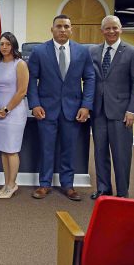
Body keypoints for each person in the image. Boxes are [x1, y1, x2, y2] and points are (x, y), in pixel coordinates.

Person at [27, 14, 95, 201]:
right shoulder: (39, 51)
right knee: (46, 148)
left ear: (71, 29)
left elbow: (89, 78)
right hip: (46, 109)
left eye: (66, 26)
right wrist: (34, 104)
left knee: (69, 148)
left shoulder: (82, 51)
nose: (62, 30)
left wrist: (86, 106)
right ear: (52, 29)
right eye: (59, 26)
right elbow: (31, 80)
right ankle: (44, 184)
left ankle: (68, 186)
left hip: (73, 110)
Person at [89, 15, 134, 199]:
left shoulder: (132, 52)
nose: (111, 31)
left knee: (121, 156)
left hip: (121, 113)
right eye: (108, 28)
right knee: (100, 153)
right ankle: (104, 189)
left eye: (115, 28)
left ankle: (122, 193)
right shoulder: (94, 52)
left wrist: (132, 110)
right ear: (102, 30)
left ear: (120, 29)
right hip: (98, 112)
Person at [0, 32, 29, 199]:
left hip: (14, 113)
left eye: (7, 44)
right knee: (4, 150)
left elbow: (22, 91)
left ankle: (12, 184)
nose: (4, 47)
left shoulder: (19, 64)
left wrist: (6, 109)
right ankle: (6, 183)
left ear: (13, 45)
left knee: (12, 150)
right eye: (1, 44)